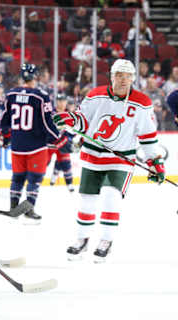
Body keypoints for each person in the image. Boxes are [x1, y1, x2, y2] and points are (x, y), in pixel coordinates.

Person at [53, 59, 164, 263]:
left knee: (111, 196)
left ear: (133, 78)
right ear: (112, 76)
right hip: (93, 155)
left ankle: (105, 241)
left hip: (121, 159)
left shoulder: (142, 103)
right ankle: (82, 239)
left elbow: (148, 136)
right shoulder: (96, 95)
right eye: (120, 75)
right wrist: (69, 120)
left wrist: (155, 162)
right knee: (87, 198)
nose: (124, 80)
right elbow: (81, 120)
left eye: (128, 76)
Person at [1, 64, 69, 224]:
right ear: (35, 77)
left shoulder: (10, 94)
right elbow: (47, 122)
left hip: (17, 145)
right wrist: (57, 138)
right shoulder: (41, 96)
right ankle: (29, 209)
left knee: (17, 178)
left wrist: (6, 137)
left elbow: (4, 119)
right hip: (35, 146)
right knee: (34, 179)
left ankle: (13, 207)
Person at [48, 94, 74, 192]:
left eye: (63, 101)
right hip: (50, 143)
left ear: (66, 102)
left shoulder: (70, 115)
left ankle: (69, 183)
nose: (61, 103)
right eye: (59, 100)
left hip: (62, 142)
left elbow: (73, 131)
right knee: (44, 162)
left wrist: (68, 138)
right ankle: (35, 181)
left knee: (65, 162)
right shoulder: (51, 113)